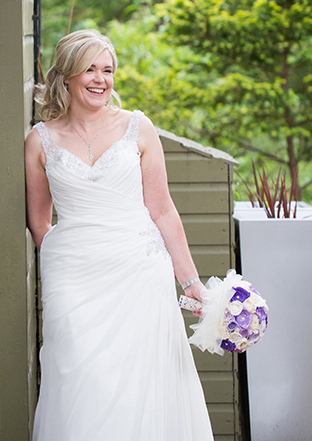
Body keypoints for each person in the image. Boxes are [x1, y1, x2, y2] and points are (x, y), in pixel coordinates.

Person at [25, 29, 214, 441]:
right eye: (89, 69)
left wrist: (191, 282)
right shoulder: (39, 141)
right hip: (74, 280)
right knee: (79, 376)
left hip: (139, 273)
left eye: (107, 70)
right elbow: (40, 223)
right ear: (68, 75)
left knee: (141, 382)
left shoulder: (138, 128)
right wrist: (70, 260)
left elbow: (162, 210)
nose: (100, 79)